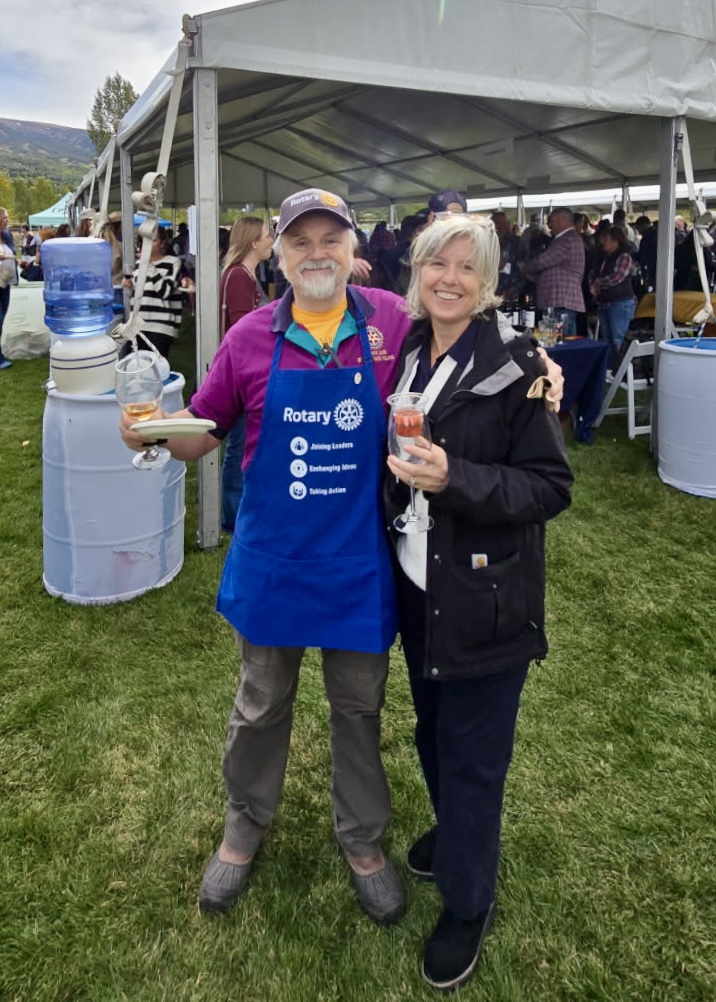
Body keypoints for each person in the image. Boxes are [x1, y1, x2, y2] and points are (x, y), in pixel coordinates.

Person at [119, 188, 565, 929]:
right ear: (279, 255)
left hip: (360, 565)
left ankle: (363, 842)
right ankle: (242, 830)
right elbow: (207, 429)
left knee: (358, 712)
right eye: (301, 241)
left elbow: (469, 331)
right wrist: (157, 434)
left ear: (354, 250)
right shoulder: (251, 338)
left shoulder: (392, 321)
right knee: (260, 707)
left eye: (332, 239)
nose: (317, 253)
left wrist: (536, 360)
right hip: (274, 559)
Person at [384, 214, 572, 991]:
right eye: (437, 264)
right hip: (419, 588)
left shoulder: (519, 365)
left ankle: (469, 900)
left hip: (487, 599)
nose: (450, 279)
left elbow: (549, 486)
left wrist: (454, 476)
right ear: (418, 273)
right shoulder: (411, 345)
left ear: (490, 281)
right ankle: (458, 838)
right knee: (434, 734)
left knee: (473, 758)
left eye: (468, 267)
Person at [218, 216, 274, 533]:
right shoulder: (239, 276)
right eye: (268, 235)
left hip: (245, 372)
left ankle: (237, 509)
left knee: (242, 443)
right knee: (238, 446)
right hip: (242, 374)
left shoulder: (243, 273)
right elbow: (242, 331)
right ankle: (232, 515)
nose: (271, 240)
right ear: (254, 241)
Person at [523, 207, 586, 336]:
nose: (549, 225)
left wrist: (524, 267)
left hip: (560, 301)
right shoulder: (568, 238)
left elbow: (543, 261)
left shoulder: (566, 239)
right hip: (560, 301)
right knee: (564, 343)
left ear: (563, 220)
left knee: (558, 344)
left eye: (551, 221)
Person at [120, 231, 182, 359]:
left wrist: (148, 264)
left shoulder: (173, 262)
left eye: (153, 240)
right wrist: (130, 287)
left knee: (154, 370)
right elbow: (139, 294)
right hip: (135, 323)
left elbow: (165, 292)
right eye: (145, 241)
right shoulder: (138, 264)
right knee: (124, 361)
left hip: (160, 325)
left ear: (163, 243)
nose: (147, 245)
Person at [589, 226, 637, 367]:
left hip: (620, 302)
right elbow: (593, 273)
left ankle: (625, 370)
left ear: (615, 241)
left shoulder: (624, 257)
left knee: (618, 339)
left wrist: (596, 283)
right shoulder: (604, 257)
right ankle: (610, 369)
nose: (602, 242)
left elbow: (617, 277)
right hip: (605, 302)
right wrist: (592, 282)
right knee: (607, 339)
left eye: (606, 239)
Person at [0, 207, 16, 369]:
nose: (7, 220)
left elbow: (12, 254)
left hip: (6, 282)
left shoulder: (7, 235)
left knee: (2, 318)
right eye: (5, 218)